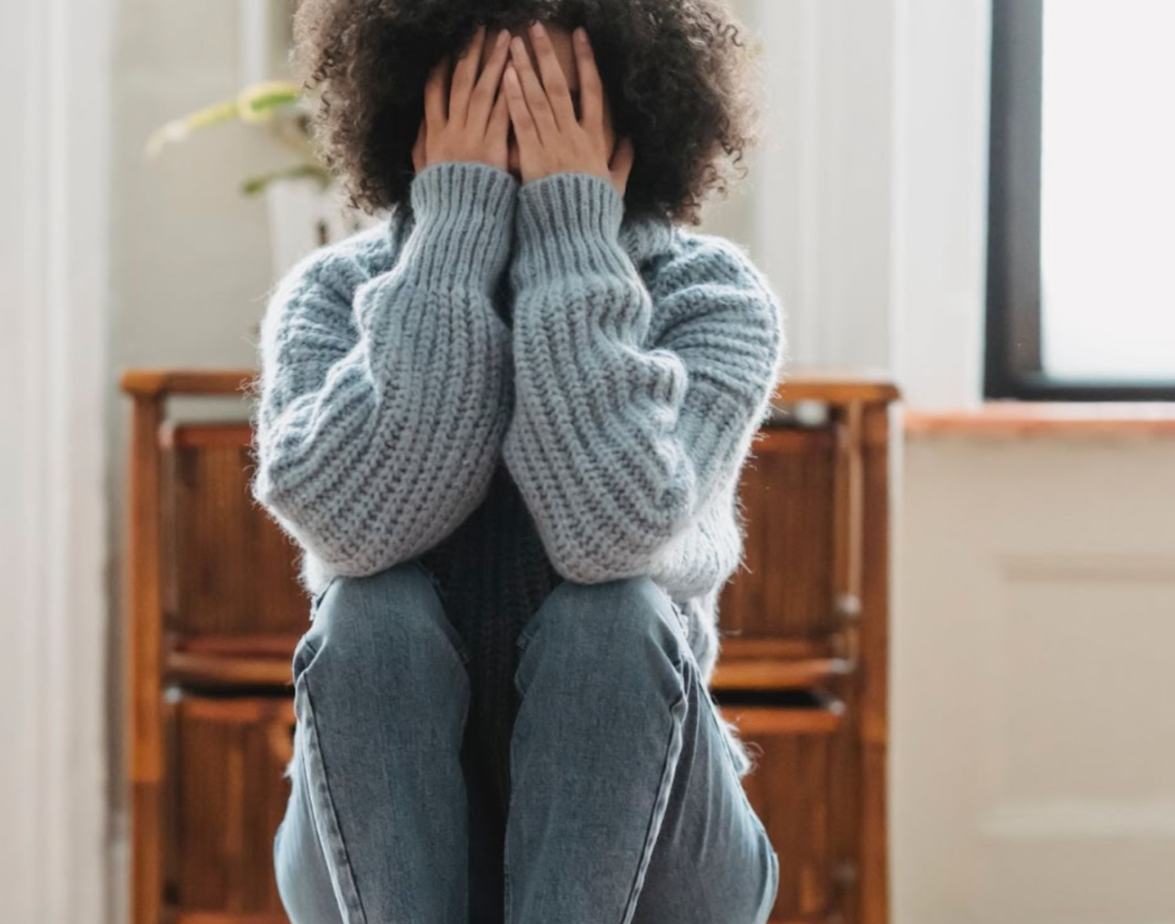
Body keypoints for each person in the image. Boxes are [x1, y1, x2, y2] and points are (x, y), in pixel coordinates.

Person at [251, 2, 784, 922]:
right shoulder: (331, 295)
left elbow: (611, 535)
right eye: (478, 91)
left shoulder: (711, 296)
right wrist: (453, 237)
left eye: (554, 95)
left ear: (628, 108)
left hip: (657, 837)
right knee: (368, 610)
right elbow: (355, 528)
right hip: (383, 844)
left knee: (610, 617)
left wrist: (573, 236)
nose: (517, 119)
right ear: (412, 106)